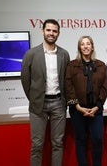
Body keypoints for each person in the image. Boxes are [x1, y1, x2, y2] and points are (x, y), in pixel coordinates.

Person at [21, 19, 70, 166]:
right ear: (42, 31)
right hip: (38, 105)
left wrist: (65, 101)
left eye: (54, 31)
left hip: (58, 104)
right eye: (48, 30)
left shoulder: (64, 54)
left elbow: (67, 80)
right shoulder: (31, 54)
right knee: (37, 145)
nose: (51, 33)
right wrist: (34, 98)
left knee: (58, 144)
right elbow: (25, 79)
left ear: (58, 34)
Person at [65, 36, 107, 166]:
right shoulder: (72, 65)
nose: (85, 46)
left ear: (92, 46)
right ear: (79, 48)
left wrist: (97, 106)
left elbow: (105, 87)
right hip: (78, 110)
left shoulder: (101, 65)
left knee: (97, 140)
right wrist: (77, 106)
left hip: (96, 110)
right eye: (82, 44)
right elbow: (68, 86)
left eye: (88, 44)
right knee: (81, 140)